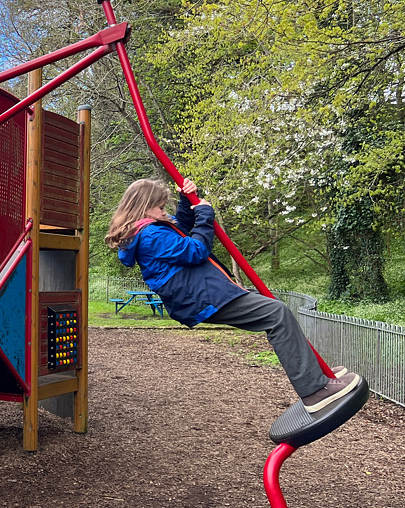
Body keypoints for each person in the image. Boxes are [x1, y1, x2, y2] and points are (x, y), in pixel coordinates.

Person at [107, 177, 361, 414]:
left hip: (207, 292)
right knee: (276, 314)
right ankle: (315, 391)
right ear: (144, 207)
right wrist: (205, 215)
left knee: (274, 311)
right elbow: (195, 250)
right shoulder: (150, 234)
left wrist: (188, 201)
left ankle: (318, 376)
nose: (164, 212)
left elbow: (181, 230)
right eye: (160, 207)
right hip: (202, 298)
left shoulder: (150, 229)